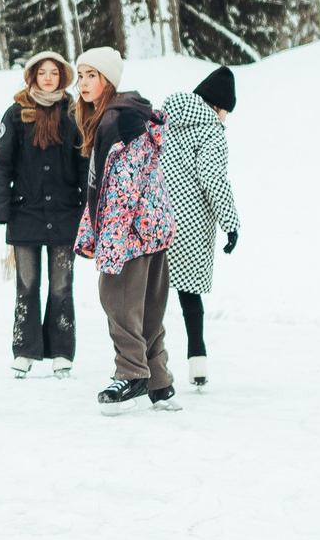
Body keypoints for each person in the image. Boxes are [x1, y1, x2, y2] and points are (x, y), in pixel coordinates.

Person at [75, 46, 178, 412]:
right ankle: (160, 383)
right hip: (150, 226)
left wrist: (110, 242)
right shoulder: (124, 114)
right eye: (81, 75)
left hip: (132, 230)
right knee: (148, 307)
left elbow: (121, 187)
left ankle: (133, 374)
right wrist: (90, 233)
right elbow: (101, 187)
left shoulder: (117, 120)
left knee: (117, 300)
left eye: (92, 76)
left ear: (108, 80)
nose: (83, 83)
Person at [0, 49, 85, 378]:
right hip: (25, 213)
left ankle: (62, 351)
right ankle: (24, 350)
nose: (48, 78)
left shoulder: (73, 114)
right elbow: (0, 164)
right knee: (26, 286)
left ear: (62, 77)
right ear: (32, 76)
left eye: (54, 73)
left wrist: (89, 209)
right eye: (42, 72)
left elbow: (85, 164)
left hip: (65, 214)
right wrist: (1, 209)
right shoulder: (15, 114)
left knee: (61, 286)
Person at [160, 65, 241, 390]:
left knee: (151, 293)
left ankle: (140, 363)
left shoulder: (164, 117)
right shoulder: (211, 130)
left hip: (155, 214)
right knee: (189, 292)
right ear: (218, 106)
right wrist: (231, 224)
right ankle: (198, 362)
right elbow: (212, 178)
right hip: (191, 222)